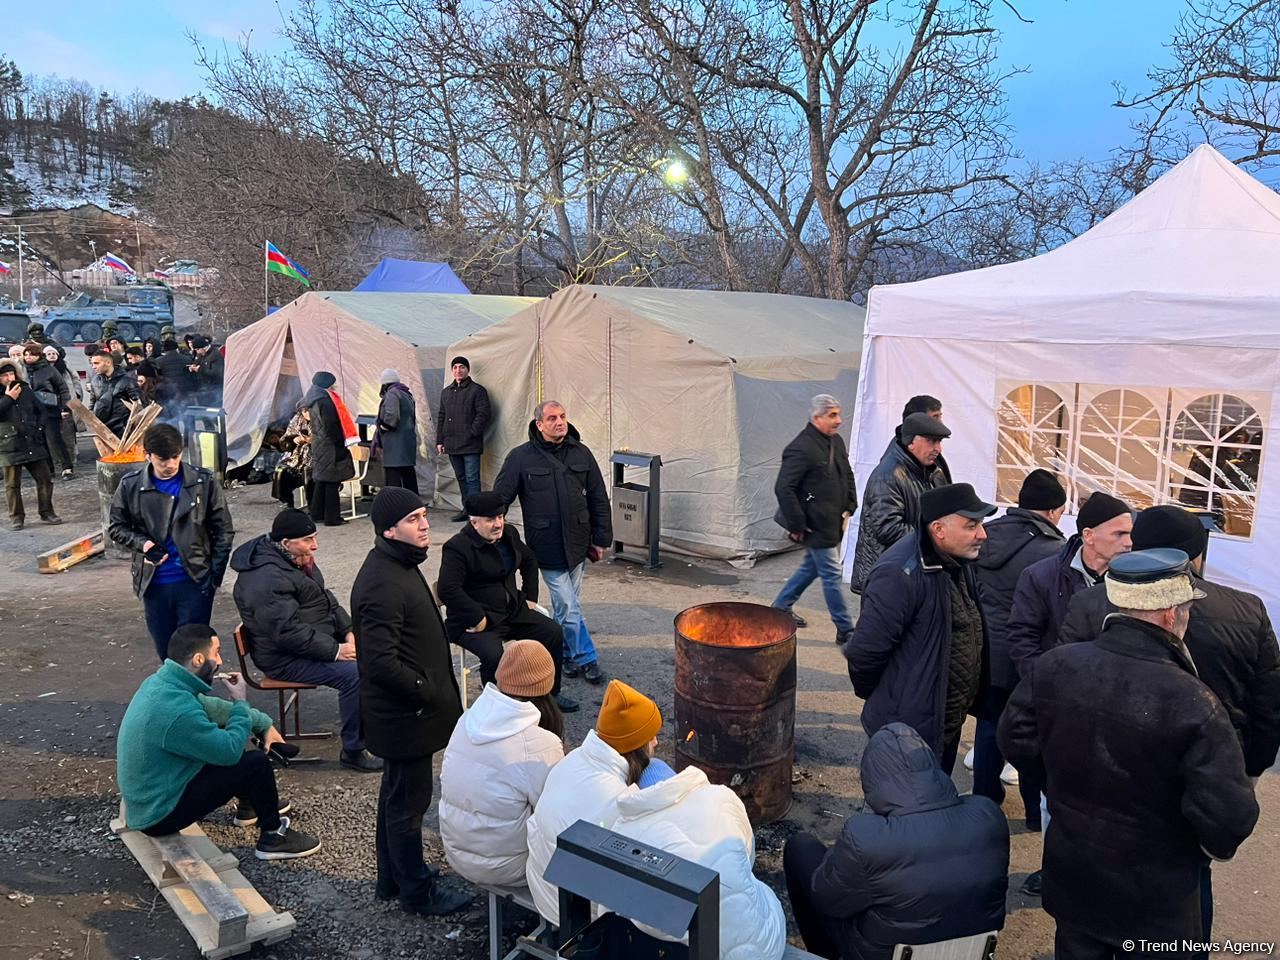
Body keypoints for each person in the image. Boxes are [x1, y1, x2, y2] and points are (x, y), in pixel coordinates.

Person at [999, 549, 1259, 960]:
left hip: (1075, 871)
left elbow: (1015, 738)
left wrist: (1061, 787)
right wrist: (1195, 844)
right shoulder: (1194, 701)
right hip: (1157, 895)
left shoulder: (1055, 666)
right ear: (1172, 614)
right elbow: (1230, 813)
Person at [1056, 504, 1280, 943]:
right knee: (1186, 888)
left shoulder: (1092, 602)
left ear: (1137, 546)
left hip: (1103, 772)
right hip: (1202, 781)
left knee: (1095, 891)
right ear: (1196, 555)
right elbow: (1267, 708)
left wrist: (1063, 773)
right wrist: (1247, 772)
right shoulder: (1246, 610)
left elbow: (1056, 697)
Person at [784, 723, 1009, 960]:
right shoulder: (988, 815)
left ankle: (824, 954)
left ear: (872, 778)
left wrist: (839, 858)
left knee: (800, 848)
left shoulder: (867, 837)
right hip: (972, 951)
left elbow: (827, 900)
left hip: (885, 954)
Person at [351, 486, 470, 916]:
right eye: (414, 519)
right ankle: (417, 893)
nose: (424, 525)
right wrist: (427, 691)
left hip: (408, 714)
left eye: (424, 515)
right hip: (405, 717)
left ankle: (392, 880)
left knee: (395, 797)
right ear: (389, 529)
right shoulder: (383, 580)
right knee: (408, 806)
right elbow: (380, 662)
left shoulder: (397, 562)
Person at [116, 623, 322, 860]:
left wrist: (262, 723)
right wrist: (241, 703)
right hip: (158, 815)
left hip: (148, 799)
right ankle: (273, 836)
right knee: (254, 762)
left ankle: (249, 807)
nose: (221, 661)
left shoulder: (163, 684)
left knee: (226, 736)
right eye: (217, 653)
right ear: (198, 659)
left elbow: (211, 707)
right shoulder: (177, 712)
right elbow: (229, 752)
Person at [844, 483, 995, 775]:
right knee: (904, 809)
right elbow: (864, 654)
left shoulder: (957, 560)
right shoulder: (899, 574)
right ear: (939, 529)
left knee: (933, 799)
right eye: (972, 525)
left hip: (942, 722)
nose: (982, 534)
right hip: (908, 729)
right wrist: (891, 701)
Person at [231, 509, 382, 772]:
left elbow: (325, 599)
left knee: (379, 646)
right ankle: (354, 750)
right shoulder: (266, 578)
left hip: (310, 642)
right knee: (354, 674)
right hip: (283, 658)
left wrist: (348, 631)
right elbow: (286, 632)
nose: (315, 546)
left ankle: (377, 729)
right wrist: (336, 651)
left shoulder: (294, 558)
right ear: (286, 543)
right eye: (308, 539)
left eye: (314, 537)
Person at [611, 755, 788, 960]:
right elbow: (747, 857)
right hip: (757, 950)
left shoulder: (623, 832)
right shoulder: (718, 800)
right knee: (753, 887)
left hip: (662, 948)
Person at [526, 679, 662, 926]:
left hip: (542, 886)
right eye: (651, 737)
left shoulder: (574, 758)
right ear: (635, 746)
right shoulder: (620, 801)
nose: (656, 742)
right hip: (576, 912)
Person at [494, 400, 612, 684]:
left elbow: (598, 497)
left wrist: (601, 538)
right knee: (569, 606)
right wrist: (491, 530)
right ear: (539, 424)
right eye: (552, 418)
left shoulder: (581, 453)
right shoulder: (520, 458)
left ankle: (564, 655)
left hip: (578, 543)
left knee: (567, 606)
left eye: (562, 416)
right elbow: (500, 498)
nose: (559, 422)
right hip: (545, 546)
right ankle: (586, 657)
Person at [971, 469, 1066, 816]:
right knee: (1030, 734)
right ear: (1055, 511)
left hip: (985, 651)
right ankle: (1031, 811)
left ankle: (983, 796)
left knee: (988, 724)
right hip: (1026, 655)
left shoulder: (985, 533)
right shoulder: (1054, 552)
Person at [438, 640, 566, 887]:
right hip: (509, 867)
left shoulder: (467, 719)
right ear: (545, 686)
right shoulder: (539, 743)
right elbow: (555, 813)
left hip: (457, 852)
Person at [437, 490, 579, 712]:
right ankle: (496, 710)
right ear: (474, 522)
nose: (498, 523)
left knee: (552, 632)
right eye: (490, 519)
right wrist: (478, 617)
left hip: (512, 611)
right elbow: (448, 589)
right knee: (494, 655)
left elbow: (529, 559)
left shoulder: (509, 534)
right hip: (475, 622)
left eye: (500, 517)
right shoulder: (457, 547)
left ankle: (550, 695)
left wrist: (530, 596)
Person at [108, 423, 234, 661]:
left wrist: (213, 577)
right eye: (163, 460)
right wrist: (144, 544)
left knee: (196, 653)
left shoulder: (203, 482)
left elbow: (224, 531)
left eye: (175, 457)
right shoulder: (131, 485)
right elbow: (116, 526)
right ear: (147, 455)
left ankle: (196, 696)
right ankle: (173, 696)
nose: (170, 465)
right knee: (166, 653)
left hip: (195, 581)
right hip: (154, 584)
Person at [771, 394, 857, 644]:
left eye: (839, 414)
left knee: (810, 568)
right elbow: (783, 488)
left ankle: (780, 607)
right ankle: (845, 629)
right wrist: (797, 524)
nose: (839, 420)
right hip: (814, 526)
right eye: (832, 415)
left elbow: (846, 473)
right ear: (816, 417)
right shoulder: (801, 447)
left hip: (831, 522)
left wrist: (851, 503)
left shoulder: (835, 442)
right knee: (831, 572)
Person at [851, 411, 952, 594]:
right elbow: (888, 529)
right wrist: (936, 536)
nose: (938, 449)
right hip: (889, 576)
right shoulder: (888, 476)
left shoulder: (931, 472)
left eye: (940, 442)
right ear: (911, 442)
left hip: (912, 571)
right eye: (932, 441)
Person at [0, 358, 61, 529]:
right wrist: (8, 398)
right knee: (12, 484)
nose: (9, 378)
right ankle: (16, 517)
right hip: (9, 444)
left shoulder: (25, 389)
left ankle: (47, 512)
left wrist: (39, 428)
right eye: (4, 375)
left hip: (32, 442)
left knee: (45, 479)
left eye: (11, 373)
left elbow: (40, 410)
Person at [436, 356, 491, 521]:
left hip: (470, 444)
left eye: (462, 367)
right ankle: (466, 509)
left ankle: (476, 512)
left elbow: (484, 413)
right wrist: (440, 440)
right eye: (455, 367)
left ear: (468, 370)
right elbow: (441, 416)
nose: (458, 370)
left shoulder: (477, 390)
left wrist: (472, 432)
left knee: (472, 479)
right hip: (452, 443)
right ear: (452, 370)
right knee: (460, 477)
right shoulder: (446, 392)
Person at [302, 371, 355, 527]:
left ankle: (317, 513)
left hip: (319, 444)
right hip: (330, 445)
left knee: (321, 480)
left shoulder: (312, 400)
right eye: (332, 384)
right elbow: (331, 426)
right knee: (332, 480)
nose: (334, 387)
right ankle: (332, 517)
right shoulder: (325, 401)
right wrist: (340, 443)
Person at [21, 341, 75, 481]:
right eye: (26, 355)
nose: (28, 357)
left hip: (50, 409)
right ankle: (49, 469)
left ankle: (67, 467)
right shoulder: (23, 370)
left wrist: (64, 407)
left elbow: (63, 388)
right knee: (40, 441)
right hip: (32, 411)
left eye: (31, 354)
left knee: (55, 439)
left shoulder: (49, 370)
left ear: (39, 356)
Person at [374, 368, 419, 494]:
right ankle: (413, 504)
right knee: (408, 475)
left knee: (393, 477)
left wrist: (383, 427)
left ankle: (395, 507)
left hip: (395, 443)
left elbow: (392, 416)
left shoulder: (392, 394)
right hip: (406, 441)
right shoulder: (406, 393)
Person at [89, 348, 142, 437]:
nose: (93, 366)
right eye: (92, 363)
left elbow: (138, 406)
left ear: (108, 363)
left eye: (96, 363)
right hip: (102, 429)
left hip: (123, 430)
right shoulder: (95, 380)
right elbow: (92, 402)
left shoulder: (127, 381)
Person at [273, 405, 313, 507]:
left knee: (308, 472)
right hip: (298, 457)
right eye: (304, 411)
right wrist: (293, 440)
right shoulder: (297, 419)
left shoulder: (320, 418)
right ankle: (287, 502)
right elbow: (284, 440)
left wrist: (310, 441)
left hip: (317, 458)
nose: (306, 413)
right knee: (281, 471)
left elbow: (326, 439)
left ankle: (313, 505)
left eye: (308, 410)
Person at [189, 335, 224, 406]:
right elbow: (197, 363)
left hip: (215, 389)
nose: (197, 352)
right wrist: (193, 366)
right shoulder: (200, 354)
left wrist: (200, 369)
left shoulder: (216, 355)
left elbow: (217, 373)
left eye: (197, 350)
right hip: (204, 389)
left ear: (203, 347)